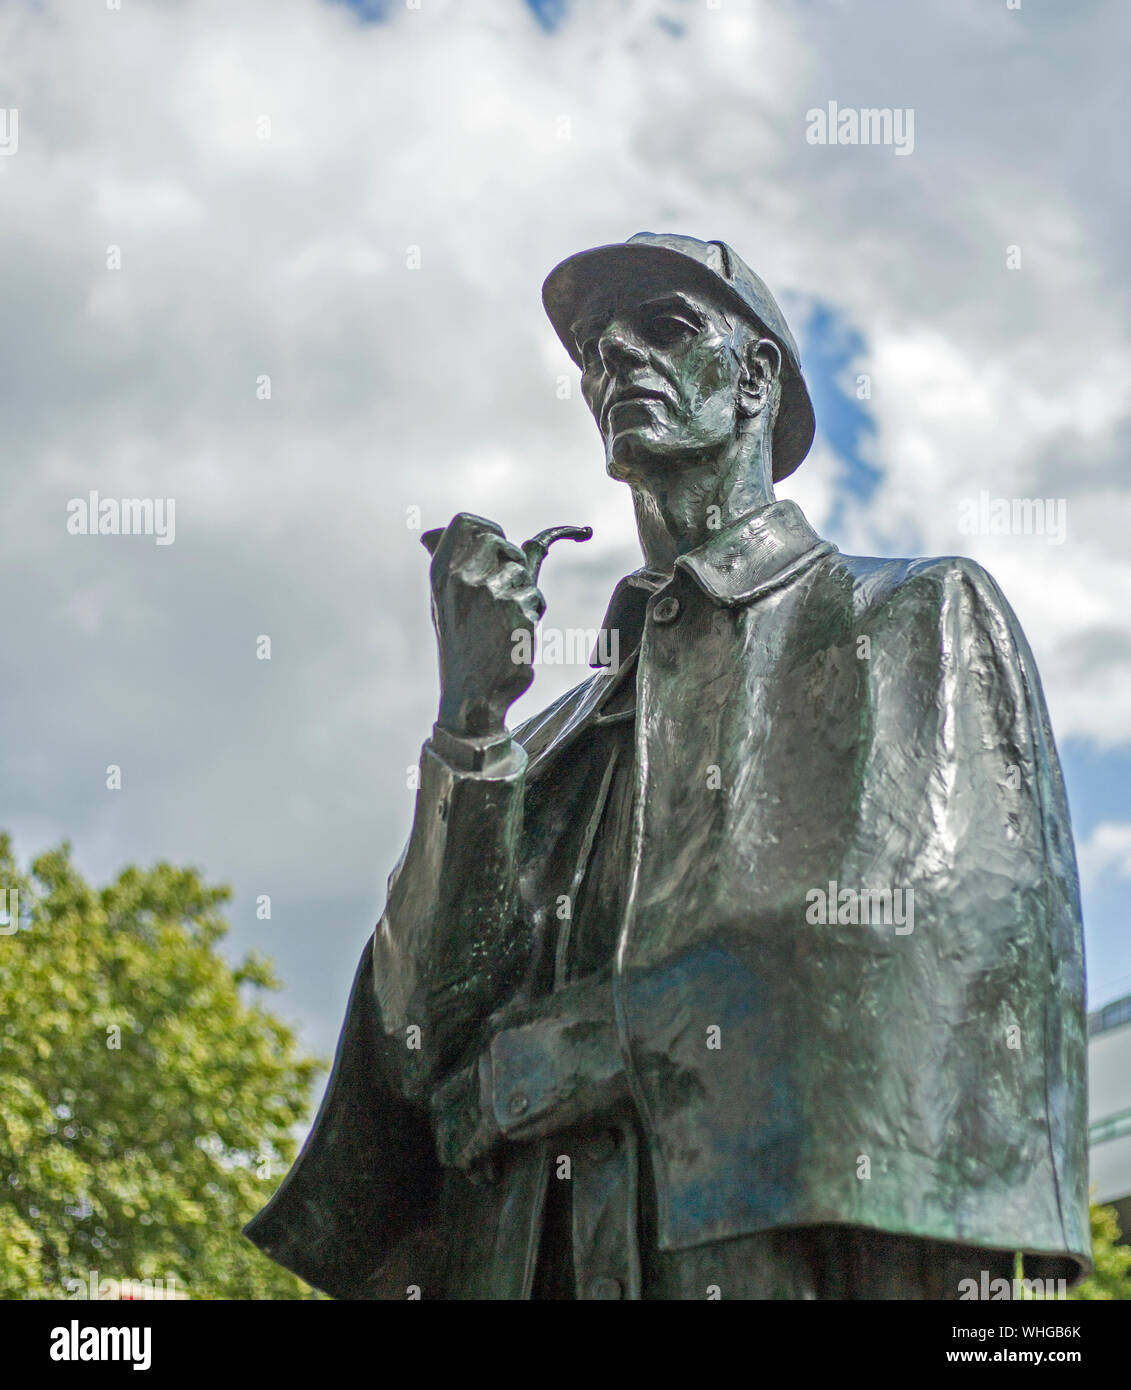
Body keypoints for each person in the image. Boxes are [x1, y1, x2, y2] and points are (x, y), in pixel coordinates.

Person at [246, 233, 1090, 1299]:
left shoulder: (910, 619)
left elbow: (933, 951)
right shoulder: (543, 742)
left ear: (755, 379)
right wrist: (470, 720)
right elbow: (417, 1038)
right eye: (598, 348)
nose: (615, 360)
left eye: (667, 327)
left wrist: (595, 1046)